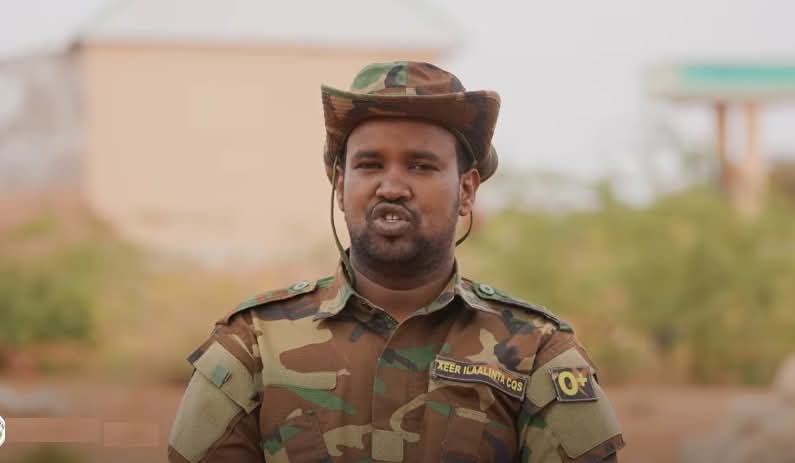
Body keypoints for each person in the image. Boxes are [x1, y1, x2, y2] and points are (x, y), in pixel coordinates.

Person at [168, 61, 624, 463]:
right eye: (370, 165)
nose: (391, 187)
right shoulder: (254, 343)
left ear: (466, 190)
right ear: (340, 187)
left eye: (421, 166)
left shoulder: (535, 350)